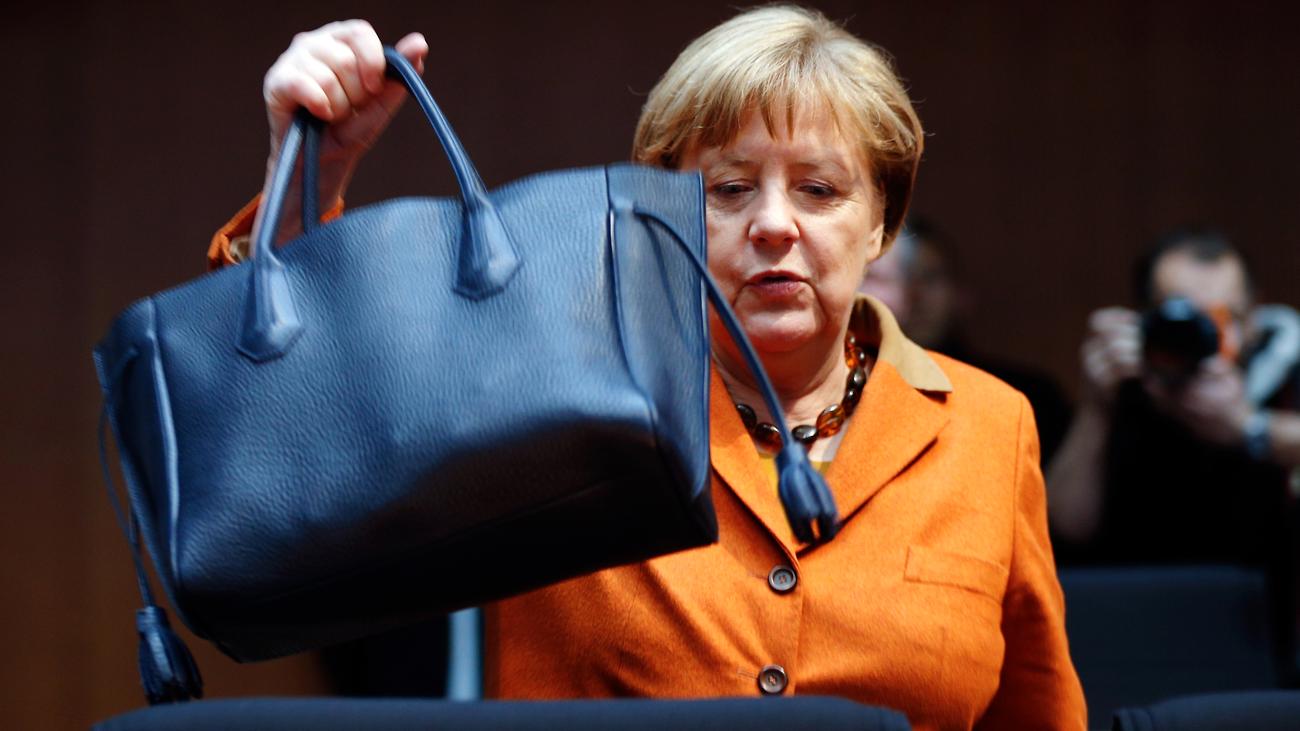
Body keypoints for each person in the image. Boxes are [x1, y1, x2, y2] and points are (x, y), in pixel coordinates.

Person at [208, 8, 1085, 729]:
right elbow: (320, 430)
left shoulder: (989, 423)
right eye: (729, 188)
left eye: (819, 190)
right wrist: (309, 175)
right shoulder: (560, 387)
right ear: (661, 211)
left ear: (883, 222)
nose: (774, 224)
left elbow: (1037, 713)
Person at [1048, 229, 1300, 564]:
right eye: (1185, 318)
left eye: (1223, 319)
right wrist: (1094, 407)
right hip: (1146, 588)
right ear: (1144, 319)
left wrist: (1248, 426)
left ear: (1254, 318)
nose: (1202, 337)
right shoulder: (1124, 384)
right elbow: (1064, 529)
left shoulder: (1285, 375)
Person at [861, 218, 1072, 463]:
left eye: (929, 278)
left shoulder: (1022, 396)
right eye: (900, 279)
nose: (915, 294)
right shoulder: (855, 389)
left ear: (962, 295)